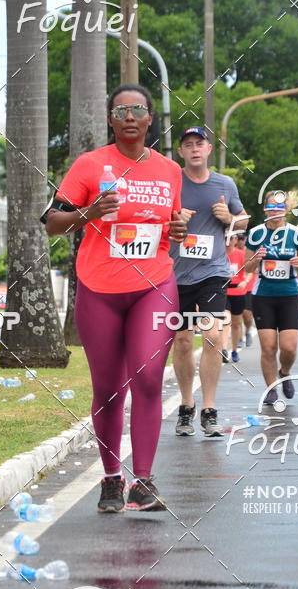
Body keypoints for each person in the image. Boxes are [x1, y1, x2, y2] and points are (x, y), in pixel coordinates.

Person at [43, 84, 186, 513]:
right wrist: (89, 213)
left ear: (150, 119)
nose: (129, 116)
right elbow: (51, 222)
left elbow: (169, 226)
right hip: (100, 289)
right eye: (120, 110)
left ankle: (143, 481)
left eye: (137, 109)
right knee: (108, 389)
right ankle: (111, 478)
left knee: (148, 376)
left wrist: (178, 231)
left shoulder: (170, 170)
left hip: (154, 285)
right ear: (110, 119)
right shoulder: (90, 165)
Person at [171, 127, 248, 437]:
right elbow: (153, 219)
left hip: (213, 272)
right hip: (177, 274)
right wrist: (175, 219)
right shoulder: (173, 182)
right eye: (188, 145)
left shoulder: (224, 184)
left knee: (214, 336)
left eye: (199, 144)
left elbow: (244, 219)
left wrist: (229, 219)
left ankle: (209, 408)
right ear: (180, 152)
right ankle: (186, 405)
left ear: (209, 149)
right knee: (182, 340)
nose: (194, 149)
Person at [245, 191, 298, 407]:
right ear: (265, 210)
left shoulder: (296, 233)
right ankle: (271, 389)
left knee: (289, 347)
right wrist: (256, 259)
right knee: (269, 347)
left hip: (289, 294)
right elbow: (247, 267)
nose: (275, 212)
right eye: (271, 207)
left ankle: (285, 372)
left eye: (279, 208)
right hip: (263, 295)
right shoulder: (256, 233)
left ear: (286, 210)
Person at [224, 232, 247, 362]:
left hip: (238, 292)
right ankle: (223, 349)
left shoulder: (241, 254)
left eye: (230, 238)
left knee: (236, 323)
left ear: (235, 240)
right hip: (223, 291)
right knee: (225, 319)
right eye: (225, 238)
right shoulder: (219, 254)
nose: (227, 241)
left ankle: (234, 350)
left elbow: (249, 271)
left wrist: (245, 281)